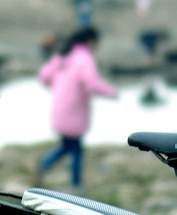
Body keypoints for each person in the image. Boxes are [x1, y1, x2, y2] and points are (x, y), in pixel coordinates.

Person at [37, 27, 117, 188]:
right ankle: (75, 184)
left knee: (68, 146)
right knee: (76, 149)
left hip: (60, 108)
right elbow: (91, 83)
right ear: (90, 41)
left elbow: (45, 76)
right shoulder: (84, 58)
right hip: (75, 110)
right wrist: (111, 92)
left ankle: (44, 166)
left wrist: (60, 86)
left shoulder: (63, 55)